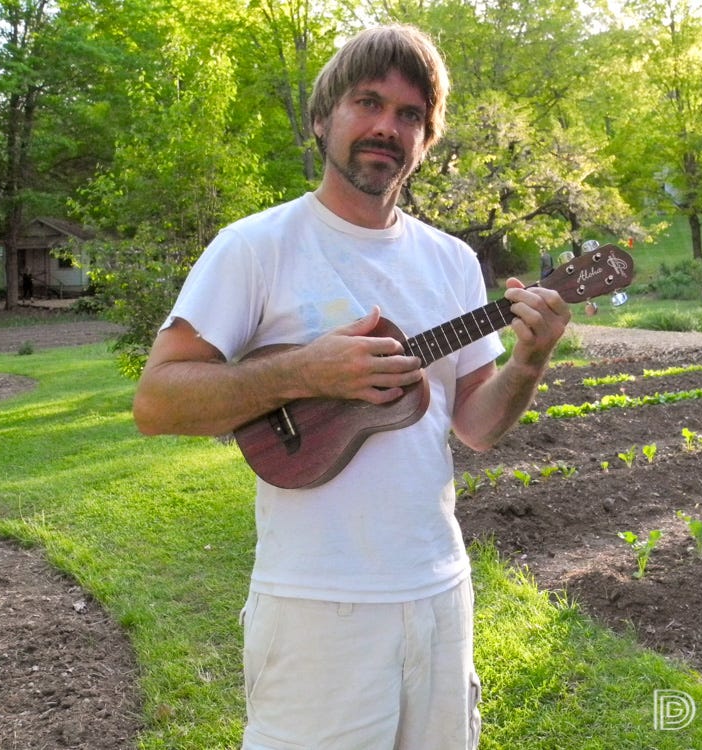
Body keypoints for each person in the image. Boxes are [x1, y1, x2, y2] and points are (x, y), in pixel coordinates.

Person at [132, 24, 570, 750]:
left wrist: (528, 362)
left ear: (426, 141)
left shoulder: (454, 262)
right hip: (314, 604)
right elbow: (157, 402)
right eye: (367, 102)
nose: (386, 127)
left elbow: (477, 427)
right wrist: (303, 371)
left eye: (409, 115)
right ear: (321, 118)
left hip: (438, 589)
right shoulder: (255, 246)